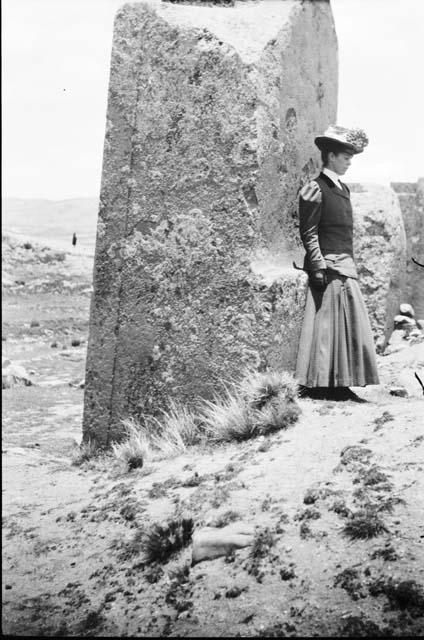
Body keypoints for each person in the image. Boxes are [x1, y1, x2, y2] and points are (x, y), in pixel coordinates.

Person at [295, 125, 379, 401]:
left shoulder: (342, 189)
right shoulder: (315, 189)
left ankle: (342, 385)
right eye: (345, 157)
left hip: (346, 265)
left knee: (348, 326)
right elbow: (308, 232)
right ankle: (321, 386)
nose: (349, 162)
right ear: (331, 156)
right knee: (327, 328)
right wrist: (318, 266)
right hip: (329, 267)